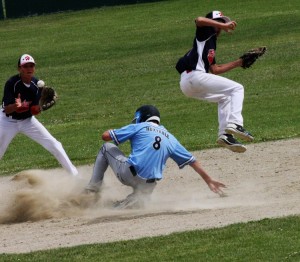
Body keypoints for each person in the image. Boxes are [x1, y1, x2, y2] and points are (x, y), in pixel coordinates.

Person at [85, 105, 226, 209]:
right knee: (137, 200)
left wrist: (114, 130)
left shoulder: (139, 127)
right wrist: (209, 180)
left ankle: (92, 190)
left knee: (106, 148)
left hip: (129, 174)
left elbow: (105, 137)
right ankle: (133, 201)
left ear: (141, 117)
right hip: (148, 185)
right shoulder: (170, 138)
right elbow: (192, 161)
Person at [176, 11, 254, 153]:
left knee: (224, 98)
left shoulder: (211, 43)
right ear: (213, 22)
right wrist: (222, 25)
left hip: (188, 84)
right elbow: (199, 19)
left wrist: (239, 62)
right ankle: (236, 123)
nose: (222, 26)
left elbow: (215, 69)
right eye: (220, 22)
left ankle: (225, 135)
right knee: (238, 89)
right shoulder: (205, 33)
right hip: (195, 77)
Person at [0, 54, 78, 176]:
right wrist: (16, 106)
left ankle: (75, 177)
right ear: (19, 68)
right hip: (7, 122)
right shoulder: (12, 83)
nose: (29, 69)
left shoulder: (37, 85)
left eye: (31, 66)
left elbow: (34, 110)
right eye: (25, 66)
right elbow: (6, 110)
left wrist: (39, 108)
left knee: (54, 144)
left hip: (27, 121)